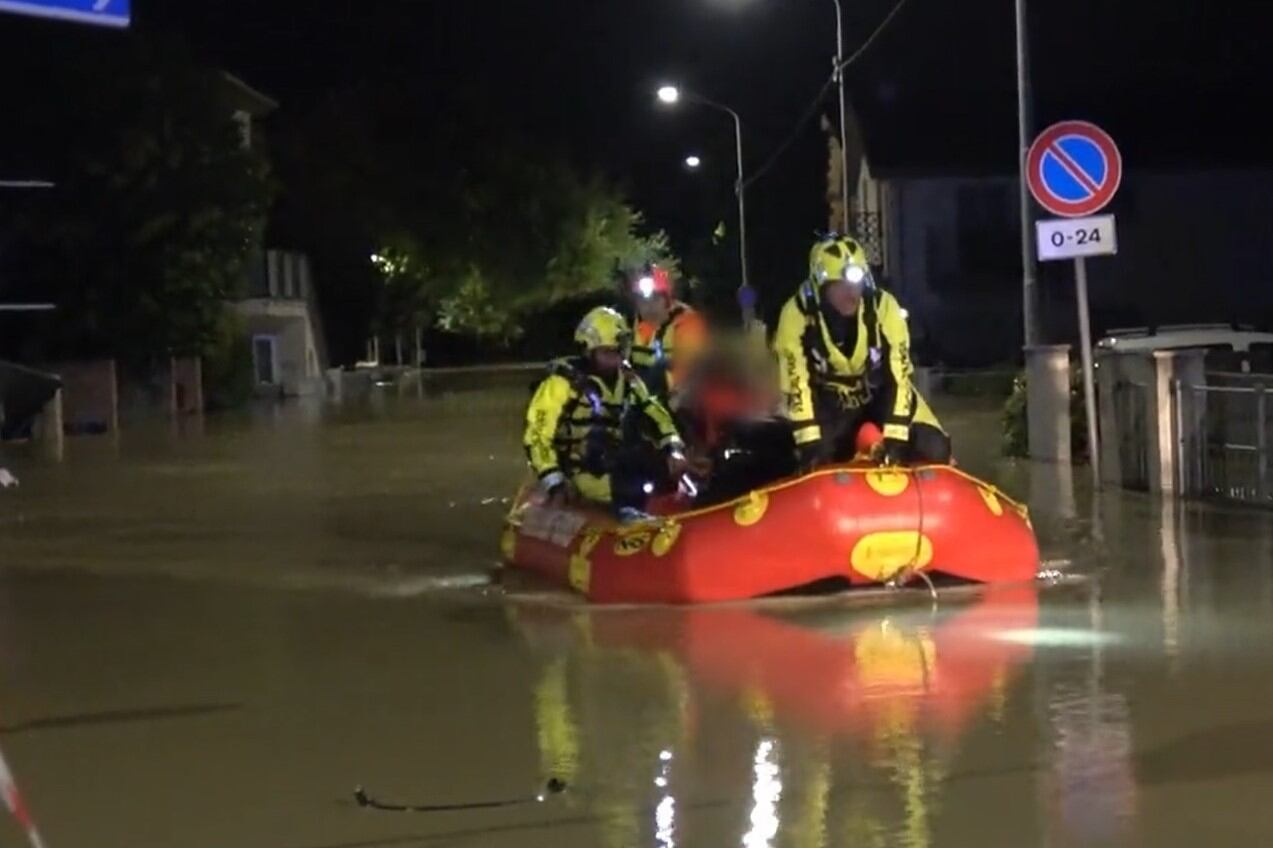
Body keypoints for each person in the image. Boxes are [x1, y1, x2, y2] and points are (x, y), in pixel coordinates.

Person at [774, 234, 951, 469]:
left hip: (881, 395)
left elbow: (899, 377)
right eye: (840, 286)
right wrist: (810, 445)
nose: (851, 293)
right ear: (822, 287)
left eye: (856, 284)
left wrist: (895, 440)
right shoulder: (796, 316)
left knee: (935, 448)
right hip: (830, 405)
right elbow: (797, 385)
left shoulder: (883, 308)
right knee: (812, 459)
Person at [524, 306, 691, 513]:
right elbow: (538, 436)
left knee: (660, 471)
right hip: (578, 471)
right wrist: (554, 480)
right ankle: (629, 516)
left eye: (618, 351)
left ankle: (668, 518)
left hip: (614, 460)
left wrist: (673, 450)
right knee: (628, 488)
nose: (615, 359)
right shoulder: (561, 384)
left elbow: (656, 414)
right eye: (607, 352)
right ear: (588, 350)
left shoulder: (628, 380)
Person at [628, 264, 707, 409]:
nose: (648, 306)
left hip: (686, 403)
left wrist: (678, 397)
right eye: (643, 301)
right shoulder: (637, 328)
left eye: (654, 299)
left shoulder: (687, 323)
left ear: (666, 299)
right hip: (649, 402)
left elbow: (698, 369)